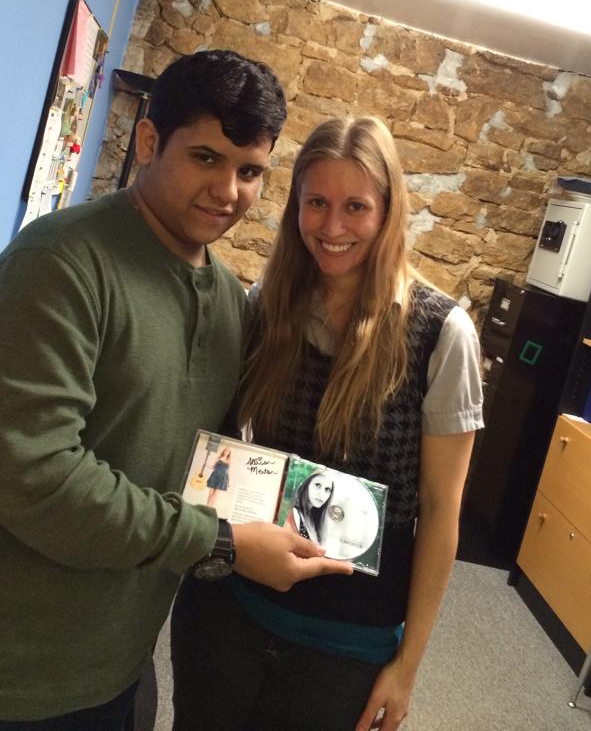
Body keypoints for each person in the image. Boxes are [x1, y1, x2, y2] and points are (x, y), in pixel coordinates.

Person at [0, 50, 350, 731]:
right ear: (149, 141)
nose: (228, 191)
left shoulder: (229, 302)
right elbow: (38, 482)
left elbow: (209, 466)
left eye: (250, 171)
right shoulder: (58, 264)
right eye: (206, 158)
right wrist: (221, 542)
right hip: (0, 672)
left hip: (121, 660)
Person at [171, 115, 484, 731]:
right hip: (230, 610)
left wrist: (408, 666)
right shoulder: (269, 303)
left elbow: (440, 513)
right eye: (316, 203)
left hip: (344, 647)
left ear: (388, 211)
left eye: (355, 207)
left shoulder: (442, 335)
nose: (333, 227)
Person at [286, 469, 335, 543]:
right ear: (307, 485)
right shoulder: (295, 514)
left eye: (327, 489)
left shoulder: (316, 520)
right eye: (317, 485)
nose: (322, 494)